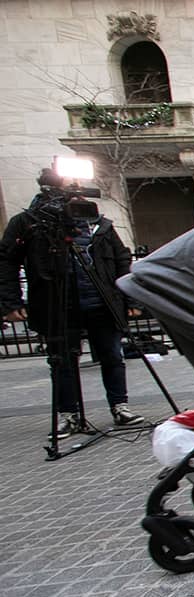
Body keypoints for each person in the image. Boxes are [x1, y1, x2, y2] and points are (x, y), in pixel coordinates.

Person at [0, 169, 147, 438]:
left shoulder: (96, 222)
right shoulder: (29, 223)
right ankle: (69, 414)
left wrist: (130, 297)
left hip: (101, 301)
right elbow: (6, 261)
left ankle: (120, 407)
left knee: (113, 356)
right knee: (62, 361)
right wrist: (10, 301)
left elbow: (121, 259)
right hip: (57, 303)